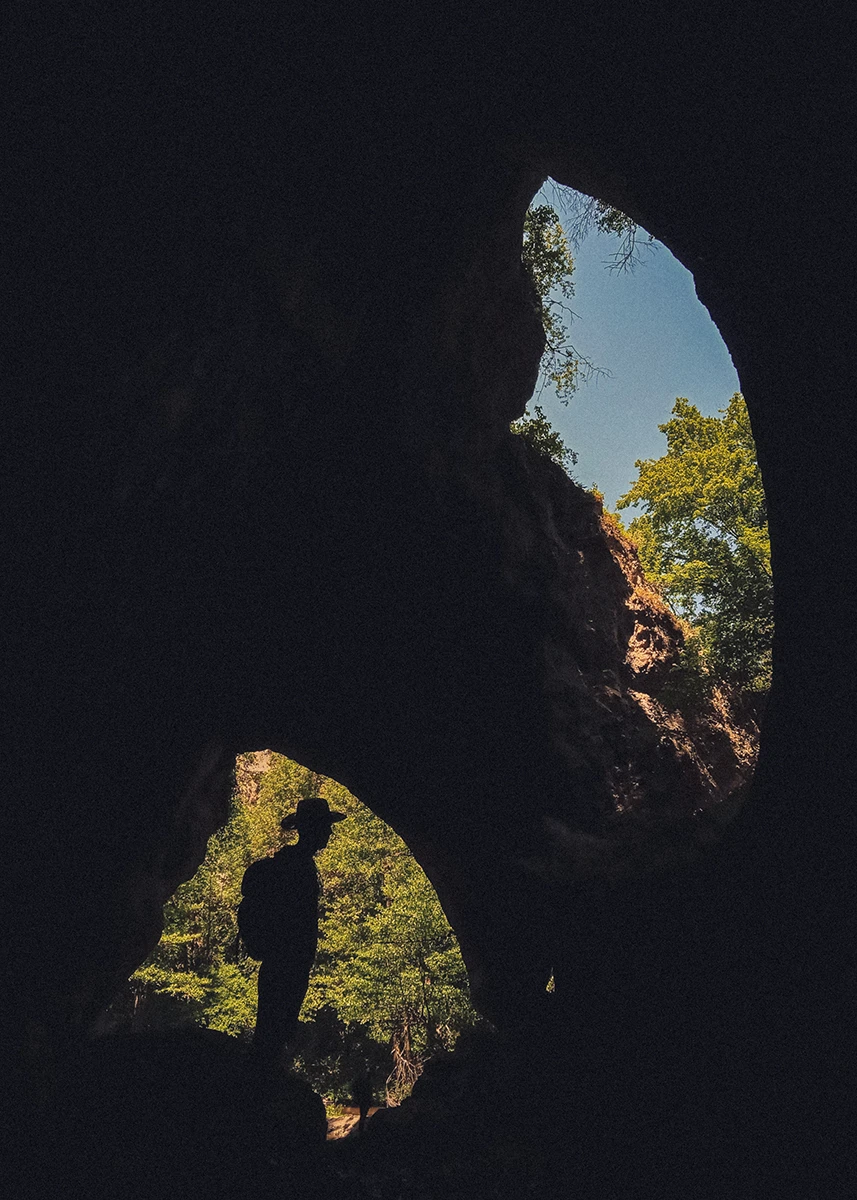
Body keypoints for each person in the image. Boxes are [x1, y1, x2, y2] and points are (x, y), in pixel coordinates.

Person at [238, 796, 346, 1074]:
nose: (330, 833)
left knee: (274, 1029)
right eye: (325, 827)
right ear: (313, 829)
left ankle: (264, 1085)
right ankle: (265, 1090)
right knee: (275, 1030)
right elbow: (296, 922)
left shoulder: (293, 864)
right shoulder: (297, 868)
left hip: (283, 963)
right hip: (287, 964)